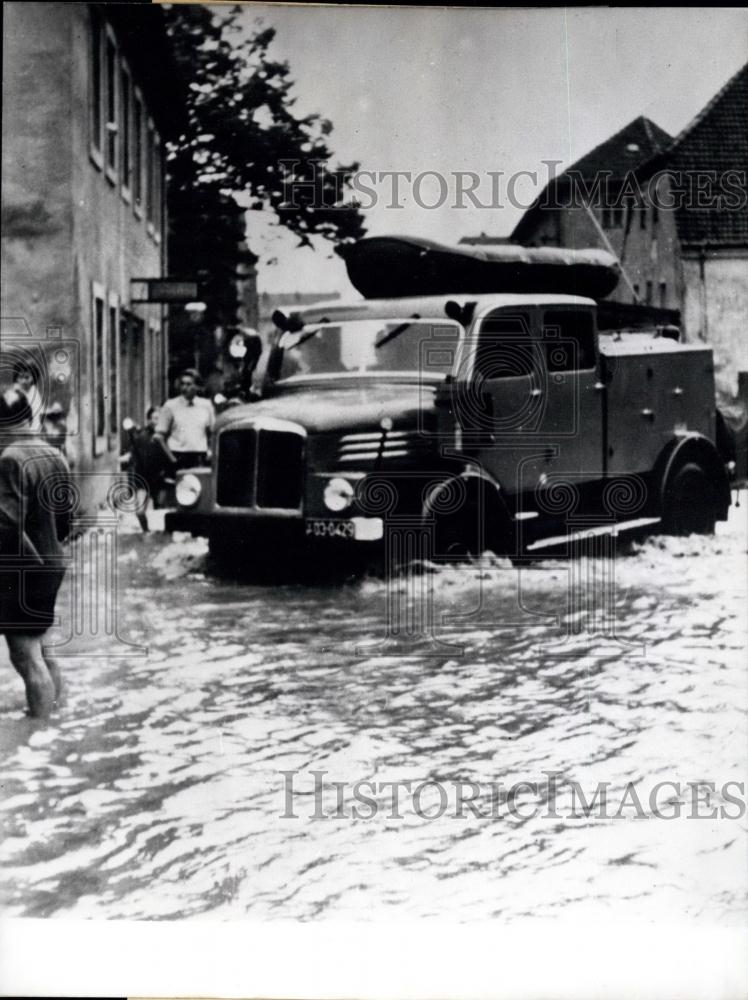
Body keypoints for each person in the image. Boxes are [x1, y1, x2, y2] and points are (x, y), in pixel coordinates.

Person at [0, 389, 73, 719]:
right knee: (43, 649)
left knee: (24, 655)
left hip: (24, 569)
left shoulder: (11, 459)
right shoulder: (55, 454)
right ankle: (59, 716)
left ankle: (41, 728)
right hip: (53, 563)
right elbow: (65, 520)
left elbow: (6, 526)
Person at [154, 369, 215, 471]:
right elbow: (159, 437)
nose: (184, 388)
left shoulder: (206, 405)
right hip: (178, 455)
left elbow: (212, 433)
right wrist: (172, 459)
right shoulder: (170, 406)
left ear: (197, 386)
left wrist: (210, 451)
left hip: (199, 457)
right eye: (182, 384)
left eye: (189, 384)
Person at [124, 406, 167, 532]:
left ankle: (162, 539)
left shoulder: (167, 436)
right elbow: (133, 457)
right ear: (148, 420)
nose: (157, 421)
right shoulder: (141, 436)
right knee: (140, 512)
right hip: (144, 478)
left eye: (160, 419)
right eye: (155, 418)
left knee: (162, 512)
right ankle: (146, 531)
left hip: (161, 479)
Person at [12, 358, 45, 433]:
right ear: (16, 378)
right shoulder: (16, 391)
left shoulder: (33, 391)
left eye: (27, 377)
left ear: (33, 377)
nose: (23, 381)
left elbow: (38, 412)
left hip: (34, 426)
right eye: (20, 377)